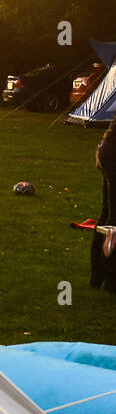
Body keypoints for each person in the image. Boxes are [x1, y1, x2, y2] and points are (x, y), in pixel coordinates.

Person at [94, 123, 116, 290]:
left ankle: (97, 276)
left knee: (106, 214)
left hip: (107, 150)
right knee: (113, 220)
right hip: (112, 155)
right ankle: (110, 279)